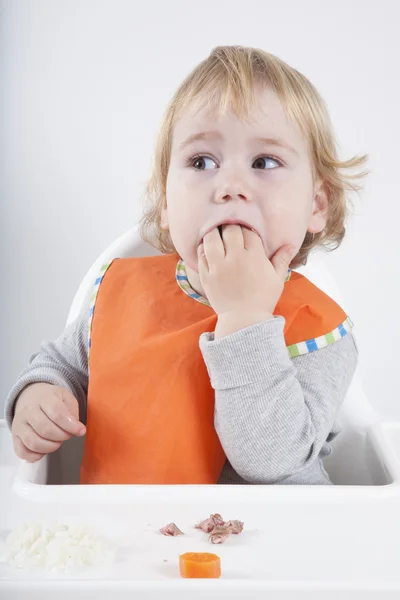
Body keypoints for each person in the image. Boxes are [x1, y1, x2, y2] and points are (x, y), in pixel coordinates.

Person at [5, 46, 368, 485]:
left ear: (316, 205)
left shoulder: (319, 332)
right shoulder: (122, 295)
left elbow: (271, 460)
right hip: (124, 539)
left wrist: (245, 319)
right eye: (202, 162)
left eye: (264, 162)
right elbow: (61, 363)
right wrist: (39, 396)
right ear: (164, 204)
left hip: (267, 546)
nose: (231, 186)